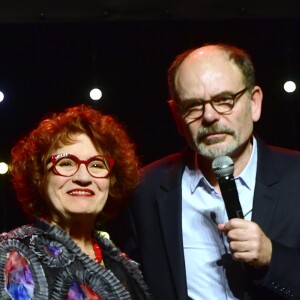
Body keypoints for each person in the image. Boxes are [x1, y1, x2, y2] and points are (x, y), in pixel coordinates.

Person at [112, 43, 300, 299]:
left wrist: (271, 256)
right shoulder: (146, 190)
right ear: (177, 117)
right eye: (193, 106)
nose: (209, 116)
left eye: (224, 101)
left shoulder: (296, 178)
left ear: (254, 103)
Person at [0, 104, 153, 299]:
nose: (83, 177)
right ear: (39, 176)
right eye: (66, 163)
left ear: (111, 180)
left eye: (97, 165)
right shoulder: (12, 256)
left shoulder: (125, 266)